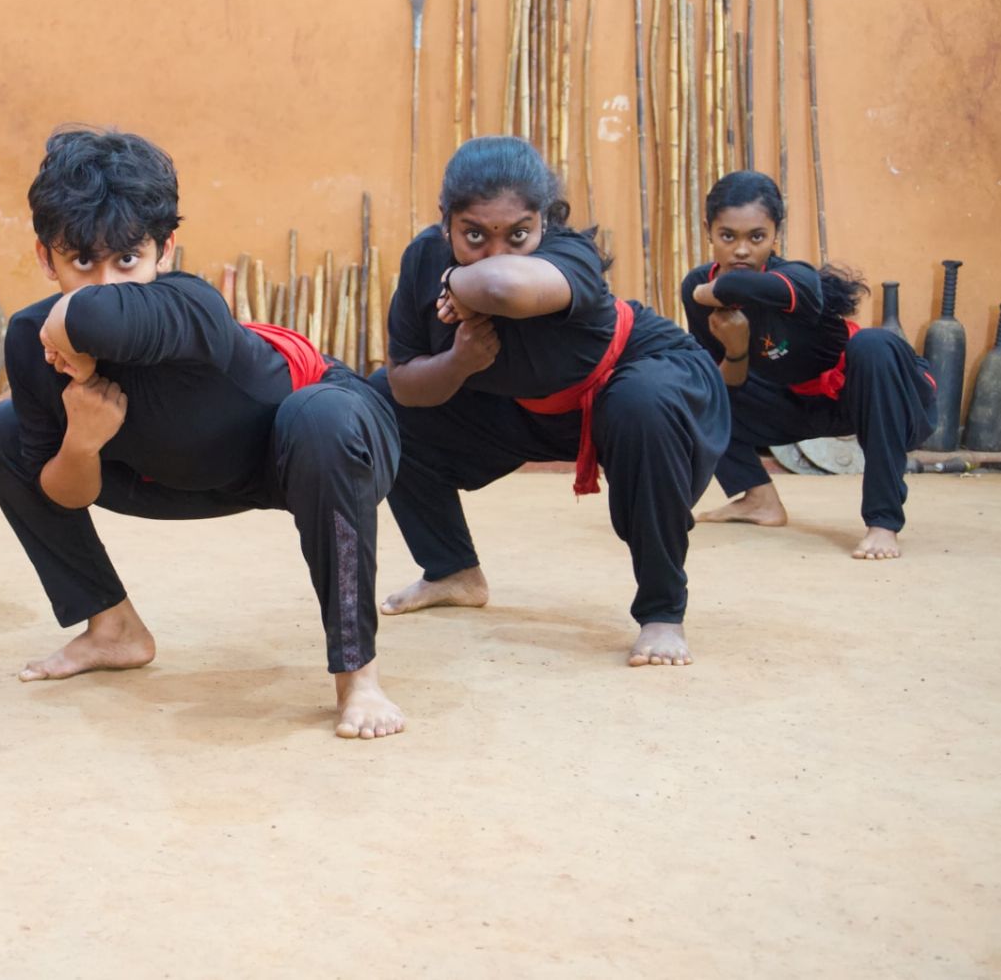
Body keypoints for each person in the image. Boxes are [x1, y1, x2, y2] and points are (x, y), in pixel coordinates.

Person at [0, 126, 404, 738]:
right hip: (180, 474)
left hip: (316, 444)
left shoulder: (191, 306)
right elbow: (64, 493)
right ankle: (113, 628)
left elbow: (100, 316)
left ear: (166, 250)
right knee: (1, 428)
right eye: (80, 262)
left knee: (321, 421)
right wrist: (83, 439)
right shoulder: (28, 341)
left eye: (128, 259)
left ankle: (358, 677)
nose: (107, 283)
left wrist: (67, 320)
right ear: (44, 258)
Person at [372, 135, 728, 667]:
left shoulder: (568, 254)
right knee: (378, 401)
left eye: (518, 234)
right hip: (524, 406)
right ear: (444, 221)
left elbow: (503, 288)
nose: (496, 250)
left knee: (640, 405)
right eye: (473, 235)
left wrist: (457, 276)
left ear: (545, 220)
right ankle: (452, 571)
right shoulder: (423, 255)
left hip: (629, 378)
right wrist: (458, 362)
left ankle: (661, 613)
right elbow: (403, 379)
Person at [682, 170, 937, 560]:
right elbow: (728, 386)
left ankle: (883, 522)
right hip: (802, 405)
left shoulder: (797, 278)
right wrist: (735, 351)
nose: (741, 251)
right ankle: (759, 499)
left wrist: (708, 291)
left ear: (776, 234)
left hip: (883, 395)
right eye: (727, 236)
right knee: (695, 390)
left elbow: (739, 287)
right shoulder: (697, 288)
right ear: (708, 231)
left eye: (756, 237)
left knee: (874, 345)